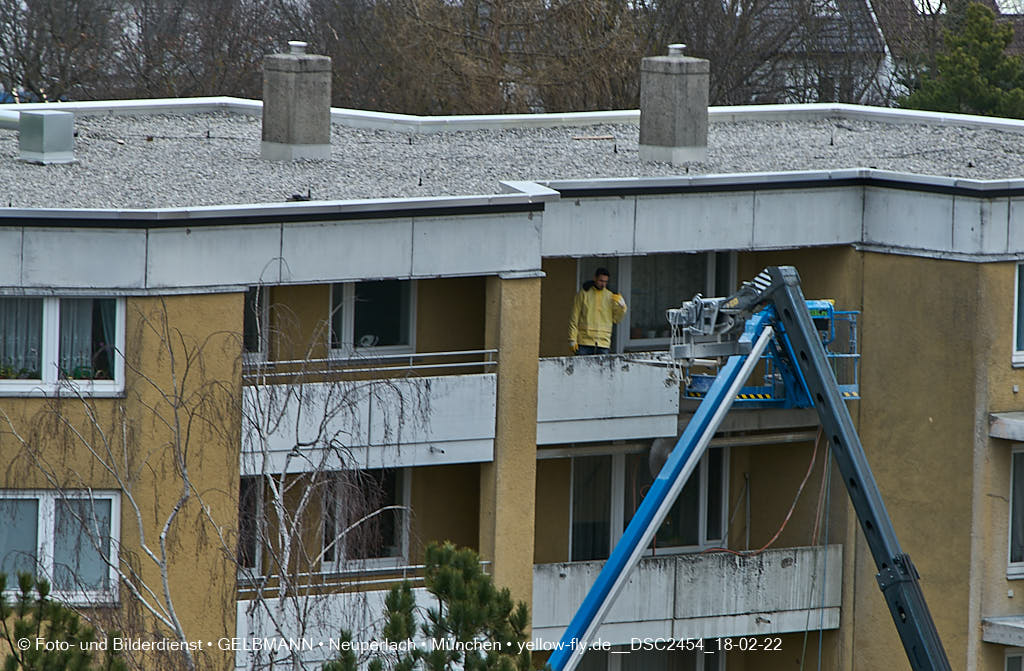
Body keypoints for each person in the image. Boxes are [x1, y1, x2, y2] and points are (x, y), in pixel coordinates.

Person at [568, 267, 627, 355]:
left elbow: (617, 319)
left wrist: (622, 307)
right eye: (601, 281)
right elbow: (574, 318)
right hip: (584, 342)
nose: (603, 284)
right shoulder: (584, 294)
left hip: (603, 343)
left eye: (605, 282)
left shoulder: (610, 296)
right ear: (595, 278)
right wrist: (572, 339)